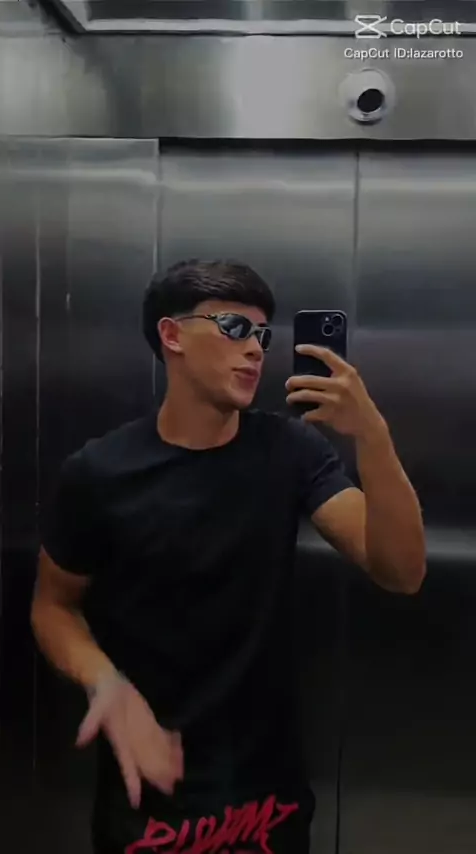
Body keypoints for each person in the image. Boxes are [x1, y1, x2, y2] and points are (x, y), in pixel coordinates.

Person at [31, 259, 426, 854]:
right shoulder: (99, 472)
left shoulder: (290, 451)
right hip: (150, 793)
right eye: (234, 328)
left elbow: (401, 570)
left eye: (262, 334)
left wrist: (373, 436)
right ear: (172, 336)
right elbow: (53, 607)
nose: (256, 349)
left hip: (267, 798)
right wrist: (103, 681)